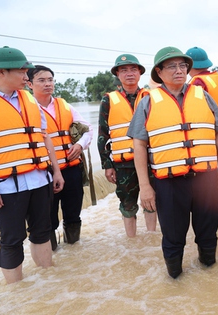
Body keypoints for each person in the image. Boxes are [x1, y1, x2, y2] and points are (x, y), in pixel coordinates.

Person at [0, 46, 64, 283]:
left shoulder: (29, 98)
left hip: (40, 180)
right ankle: (15, 293)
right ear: (1, 72)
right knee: (11, 239)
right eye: (21, 70)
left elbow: (44, 136)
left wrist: (56, 170)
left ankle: (48, 285)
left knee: (42, 232)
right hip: (6, 186)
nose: (26, 76)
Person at [127, 46, 218, 279]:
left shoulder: (201, 95)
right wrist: (145, 186)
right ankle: (175, 281)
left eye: (183, 65)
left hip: (205, 179)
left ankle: (210, 281)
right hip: (169, 183)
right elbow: (139, 145)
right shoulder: (147, 101)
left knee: (208, 233)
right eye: (172, 66)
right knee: (173, 237)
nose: (179, 70)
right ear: (159, 72)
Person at [27, 65, 93, 250]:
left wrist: (80, 145)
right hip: (44, 173)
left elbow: (88, 129)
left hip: (71, 168)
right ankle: (52, 255)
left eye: (50, 80)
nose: (47, 84)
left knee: (73, 213)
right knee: (47, 217)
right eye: (41, 80)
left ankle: (73, 251)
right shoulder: (27, 109)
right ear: (30, 84)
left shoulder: (65, 105)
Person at [98, 54, 157, 238]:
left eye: (133, 69)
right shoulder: (108, 100)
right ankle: (132, 243)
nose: (129, 73)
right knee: (127, 204)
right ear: (117, 74)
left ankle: (151, 239)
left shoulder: (151, 97)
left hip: (150, 161)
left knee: (152, 201)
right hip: (123, 165)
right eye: (124, 70)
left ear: (140, 73)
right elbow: (102, 135)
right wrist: (107, 165)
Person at [186, 46, 218, 224]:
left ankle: (217, 218)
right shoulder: (215, 77)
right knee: (213, 179)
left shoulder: (197, 83)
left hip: (205, 136)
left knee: (208, 181)